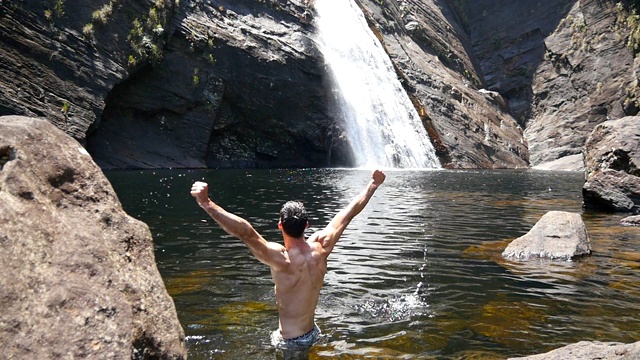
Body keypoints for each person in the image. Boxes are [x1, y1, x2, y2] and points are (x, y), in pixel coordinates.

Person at [190, 169, 386, 351]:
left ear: (280, 226)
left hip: (290, 343)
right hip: (314, 333)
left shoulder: (281, 260)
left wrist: (206, 203)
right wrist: (372, 184)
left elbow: (246, 233)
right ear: (307, 225)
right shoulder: (322, 247)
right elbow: (348, 213)